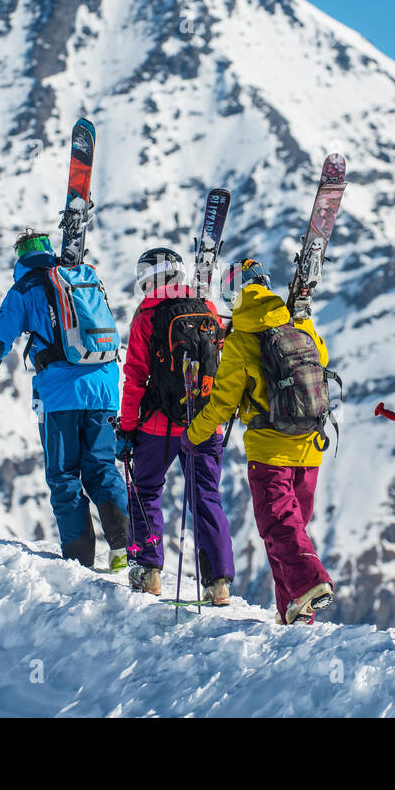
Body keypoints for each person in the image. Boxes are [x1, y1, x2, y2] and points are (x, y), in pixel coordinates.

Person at [0, 228, 129, 569]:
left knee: (64, 474)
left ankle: (80, 560)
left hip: (60, 395)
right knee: (101, 467)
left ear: (20, 258)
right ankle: (124, 548)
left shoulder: (24, 289)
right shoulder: (79, 279)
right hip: (105, 387)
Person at [183, 259, 335, 624]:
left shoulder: (240, 339)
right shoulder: (299, 322)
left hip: (270, 448)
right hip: (310, 445)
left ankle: (310, 583)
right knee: (290, 528)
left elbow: (223, 402)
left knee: (277, 525)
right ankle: (294, 611)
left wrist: (193, 436)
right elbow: (322, 361)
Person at [116, 247, 235, 605]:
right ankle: (218, 584)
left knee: (146, 490)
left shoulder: (147, 315)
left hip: (157, 426)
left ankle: (149, 570)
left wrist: (127, 426)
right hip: (205, 422)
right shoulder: (209, 310)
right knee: (206, 497)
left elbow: (136, 376)